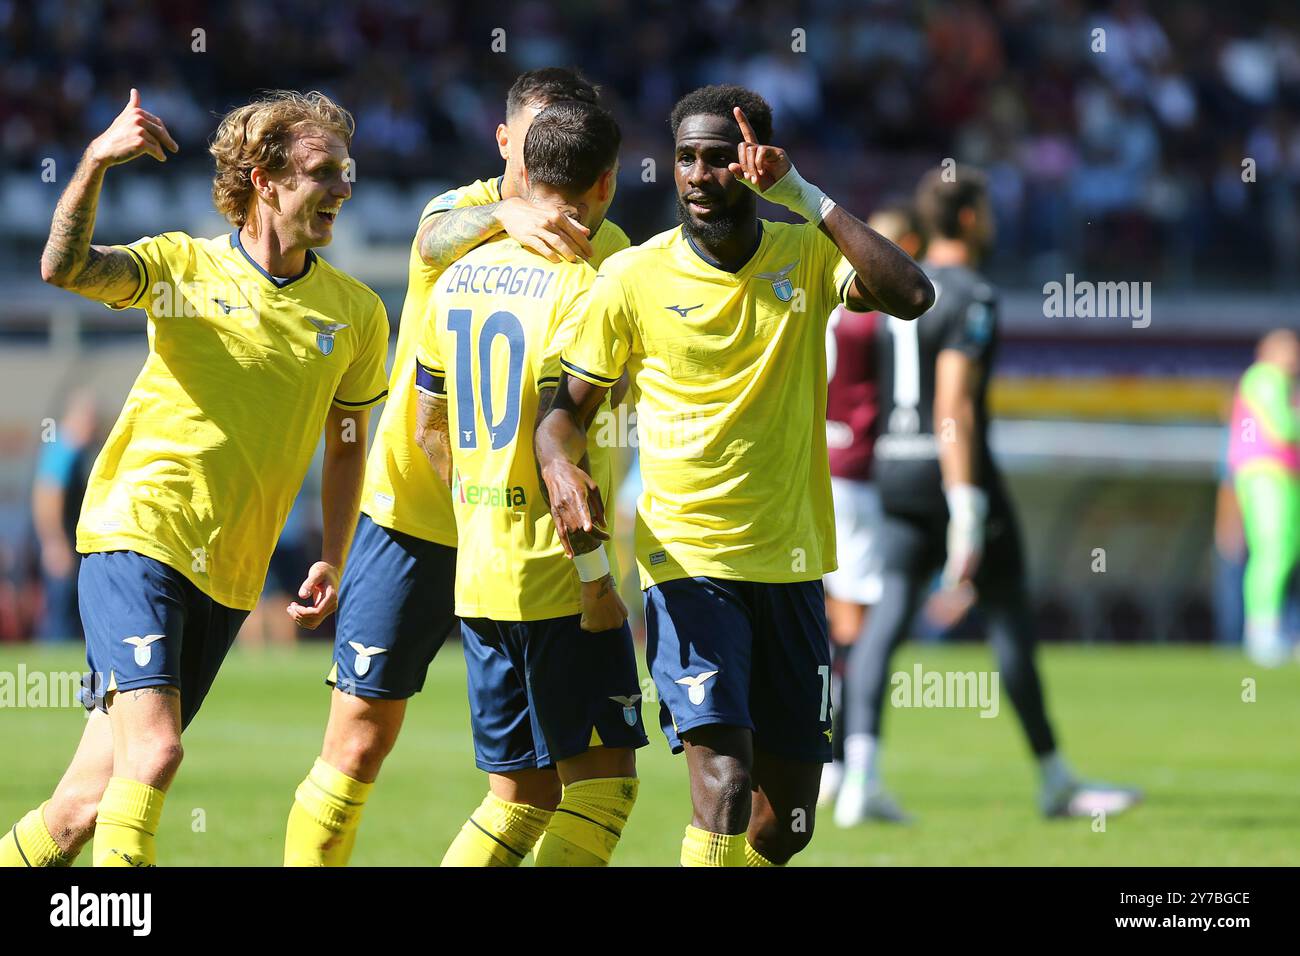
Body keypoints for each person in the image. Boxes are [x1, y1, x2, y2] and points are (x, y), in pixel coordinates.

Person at [536, 84, 933, 866]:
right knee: (723, 782)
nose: (697, 174)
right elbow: (563, 412)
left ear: (754, 167)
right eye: (686, 158)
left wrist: (804, 197)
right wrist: (557, 462)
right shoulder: (633, 278)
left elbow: (912, 294)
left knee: (786, 825)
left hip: (790, 562)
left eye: (719, 158)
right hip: (687, 564)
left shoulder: (806, 255)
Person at [0, 89, 389, 867]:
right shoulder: (182, 265)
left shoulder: (357, 314)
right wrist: (96, 162)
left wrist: (337, 556)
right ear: (264, 178)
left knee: (81, 805)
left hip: (230, 573)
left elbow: (347, 443)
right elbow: (64, 266)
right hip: (137, 534)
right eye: (323, 171)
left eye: (347, 172)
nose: (343, 188)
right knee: (156, 756)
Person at [284, 67, 633, 866]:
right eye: (533, 134)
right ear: (507, 140)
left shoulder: (605, 247)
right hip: (413, 513)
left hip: (519, 531)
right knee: (359, 742)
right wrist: (504, 212)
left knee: (541, 783)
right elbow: (431, 237)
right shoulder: (458, 213)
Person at [836, 166, 1140, 825]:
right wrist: (968, 507)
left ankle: (858, 775)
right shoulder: (973, 293)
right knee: (1009, 623)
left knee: (883, 625)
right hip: (952, 474)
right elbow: (953, 403)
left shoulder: (898, 286)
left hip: (894, 468)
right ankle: (1055, 777)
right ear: (971, 218)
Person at [415, 99, 645, 867]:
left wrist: (484, 507)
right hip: (562, 581)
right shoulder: (589, 288)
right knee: (603, 790)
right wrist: (594, 580)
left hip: (482, 576)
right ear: (605, 184)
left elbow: (424, 429)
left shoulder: (456, 278)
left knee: (520, 798)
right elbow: (564, 459)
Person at [818, 204, 924, 817]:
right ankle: (850, 767)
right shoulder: (878, 313)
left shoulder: (826, 298)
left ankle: (830, 764)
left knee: (829, 623)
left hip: (816, 468)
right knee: (857, 630)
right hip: (856, 473)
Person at [1227, 329, 1300, 666]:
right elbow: (1282, 428)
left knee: (1282, 550)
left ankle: (1273, 631)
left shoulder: (1278, 383)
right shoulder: (1266, 378)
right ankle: (1262, 634)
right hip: (1266, 473)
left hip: (1279, 474)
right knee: (1273, 548)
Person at [31, 389, 98, 642]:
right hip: (61, 543)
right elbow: (46, 496)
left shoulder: (76, 450)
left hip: (71, 541)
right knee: (62, 608)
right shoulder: (64, 448)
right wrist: (54, 544)